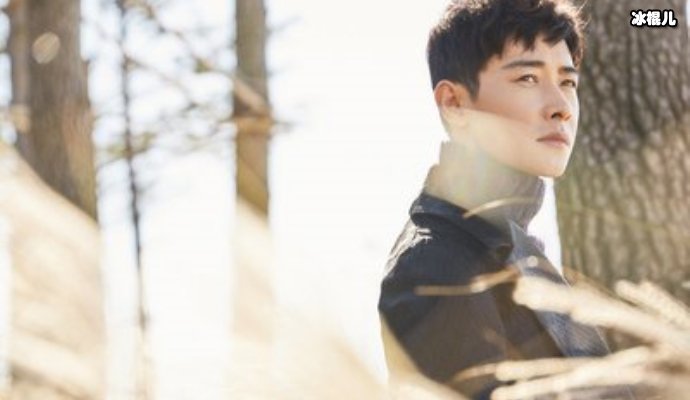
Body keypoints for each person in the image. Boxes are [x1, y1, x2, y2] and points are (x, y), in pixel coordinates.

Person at [377, 1, 627, 398]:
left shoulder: (518, 249)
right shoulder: (435, 264)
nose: (561, 108)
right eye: (528, 78)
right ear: (454, 103)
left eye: (568, 83)